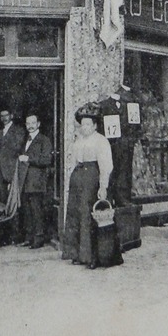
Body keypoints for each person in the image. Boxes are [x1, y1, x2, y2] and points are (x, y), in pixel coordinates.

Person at [62, 103, 114, 268]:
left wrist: (103, 187)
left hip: (92, 178)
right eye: (82, 124)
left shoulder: (101, 141)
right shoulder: (78, 141)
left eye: (88, 125)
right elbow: (74, 161)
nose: (84, 128)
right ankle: (76, 253)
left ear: (95, 125)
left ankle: (91, 256)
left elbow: (106, 166)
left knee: (87, 215)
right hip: (78, 177)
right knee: (75, 213)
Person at [18, 113, 54, 248]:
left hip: (37, 182)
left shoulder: (44, 140)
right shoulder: (25, 140)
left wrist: (29, 159)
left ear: (38, 124)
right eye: (28, 124)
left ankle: (38, 239)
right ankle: (29, 237)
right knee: (27, 211)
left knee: (36, 211)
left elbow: (47, 160)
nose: (30, 126)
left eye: (33, 123)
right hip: (25, 182)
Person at [0, 107, 26, 244]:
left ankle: (15, 236)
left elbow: (17, 148)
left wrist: (3, 155)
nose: (4, 118)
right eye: (2, 116)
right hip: (0, 171)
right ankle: (5, 237)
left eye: (6, 115)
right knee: (2, 203)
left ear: (11, 115)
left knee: (14, 203)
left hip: (12, 171)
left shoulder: (18, 130)